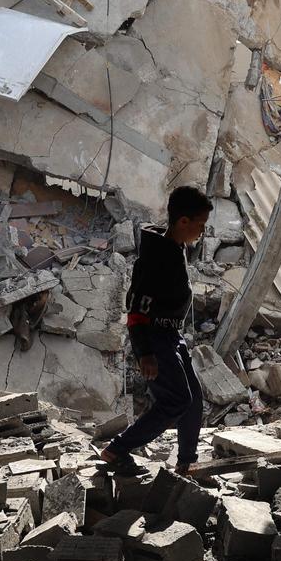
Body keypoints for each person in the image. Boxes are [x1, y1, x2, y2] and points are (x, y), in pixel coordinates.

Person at [96, 186, 213, 477]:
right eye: (200, 224)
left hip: (172, 336)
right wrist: (144, 352)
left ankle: (187, 461)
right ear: (183, 221)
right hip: (155, 339)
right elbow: (135, 308)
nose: (202, 231)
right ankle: (117, 449)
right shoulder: (156, 258)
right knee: (176, 401)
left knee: (193, 399)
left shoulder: (176, 248)